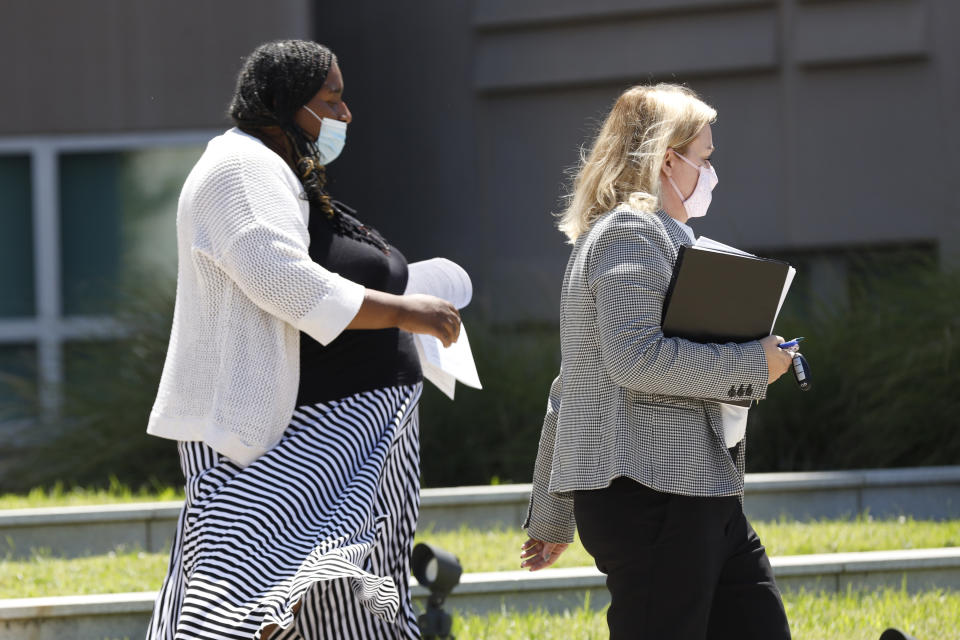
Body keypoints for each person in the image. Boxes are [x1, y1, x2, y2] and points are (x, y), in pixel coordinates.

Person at [145, 40, 460, 640]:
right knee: (254, 599)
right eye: (331, 100)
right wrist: (404, 310)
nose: (345, 115)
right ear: (285, 103)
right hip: (298, 441)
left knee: (349, 598)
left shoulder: (279, 170)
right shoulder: (239, 168)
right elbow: (276, 275)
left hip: (354, 430)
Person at [520, 84, 795, 639]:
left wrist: (551, 513)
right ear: (668, 159)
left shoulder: (656, 235)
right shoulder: (632, 231)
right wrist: (751, 364)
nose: (711, 173)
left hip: (699, 495)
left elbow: (570, 385)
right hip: (652, 498)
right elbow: (635, 361)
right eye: (705, 158)